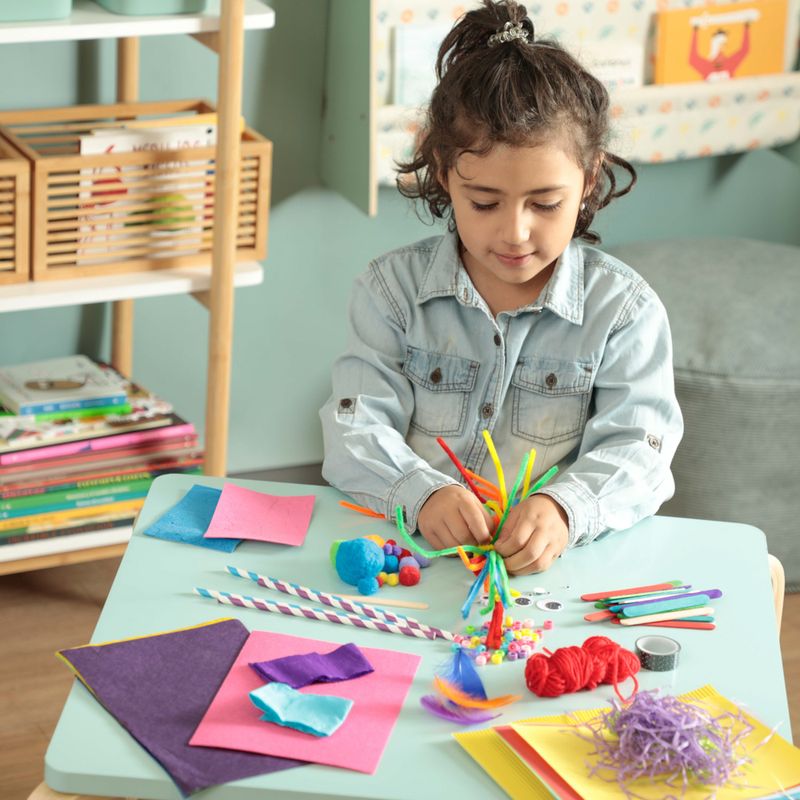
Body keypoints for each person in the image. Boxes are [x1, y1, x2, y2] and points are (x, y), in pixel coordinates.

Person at [320, 0, 683, 575]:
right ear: (444, 175)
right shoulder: (391, 290)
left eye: (546, 203)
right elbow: (353, 427)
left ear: (588, 181)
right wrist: (421, 492)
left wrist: (565, 508)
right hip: (415, 561)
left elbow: (642, 450)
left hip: (556, 574)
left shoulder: (623, 311)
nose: (515, 232)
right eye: (484, 202)